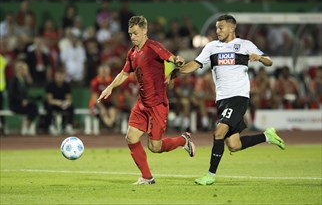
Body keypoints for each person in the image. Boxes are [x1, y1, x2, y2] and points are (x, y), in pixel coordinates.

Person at [175, 14, 285, 185]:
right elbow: (195, 64)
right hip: (222, 100)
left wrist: (260, 58)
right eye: (216, 28)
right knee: (233, 145)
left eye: (221, 27)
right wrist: (178, 69)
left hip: (239, 97)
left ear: (232, 28)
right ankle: (267, 136)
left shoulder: (245, 45)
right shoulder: (211, 47)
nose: (217, 31)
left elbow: (269, 62)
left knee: (218, 132)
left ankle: (210, 175)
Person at [97, 15, 195, 185]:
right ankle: (147, 177)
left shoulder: (153, 47)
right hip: (142, 103)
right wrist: (110, 87)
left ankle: (183, 140)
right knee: (131, 137)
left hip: (157, 104)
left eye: (135, 33)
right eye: (130, 34)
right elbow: (124, 73)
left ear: (144, 31)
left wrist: (177, 59)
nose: (132, 37)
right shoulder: (132, 53)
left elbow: (170, 57)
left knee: (154, 147)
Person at [8, 60, 38, 136]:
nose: (26, 71)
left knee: (34, 107)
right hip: (15, 104)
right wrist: (21, 100)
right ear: (19, 70)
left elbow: (30, 86)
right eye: (24, 69)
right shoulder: (14, 80)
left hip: (23, 103)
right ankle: (26, 126)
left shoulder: (23, 80)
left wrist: (28, 76)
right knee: (33, 108)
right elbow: (12, 94)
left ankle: (27, 125)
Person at [44, 67, 74, 136]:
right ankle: (51, 126)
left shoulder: (66, 85)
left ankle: (68, 126)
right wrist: (58, 102)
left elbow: (69, 99)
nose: (60, 77)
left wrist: (67, 103)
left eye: (62, 75)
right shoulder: (50, 85)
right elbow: (49, 100)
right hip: (53, 104)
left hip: (62, 104)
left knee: (71, 107)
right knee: (49, 107)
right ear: (55, 76)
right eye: (58, 75)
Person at [89, 64, 118, 134]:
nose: (104, 73)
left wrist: (116, 105)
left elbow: (114, 95)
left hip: (108, 102)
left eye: (106, 71)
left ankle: (110, 125)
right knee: (103, 113)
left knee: (113, 112)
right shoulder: (95, 82)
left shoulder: (111, 81)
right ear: (99, 72)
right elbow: (95, 98)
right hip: (97, 103)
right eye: (102, 71)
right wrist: (102, 108)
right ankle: (109, 127)